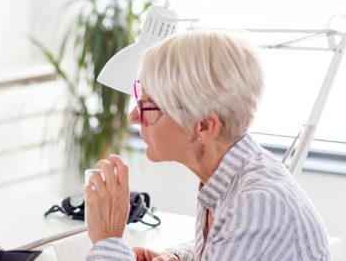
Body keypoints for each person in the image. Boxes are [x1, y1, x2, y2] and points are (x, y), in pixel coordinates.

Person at [84, 31, 331, 260]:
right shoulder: (230, 178)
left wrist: (109, 239)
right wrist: (179, 257)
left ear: (203, 126)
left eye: (148, 106)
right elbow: (228, 244)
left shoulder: (255, 204)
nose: (134, 117)